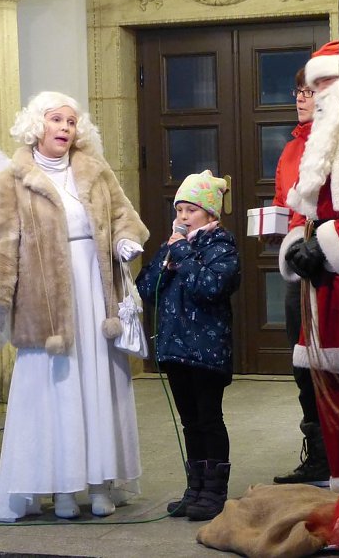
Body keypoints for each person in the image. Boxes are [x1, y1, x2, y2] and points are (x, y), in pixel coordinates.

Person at [0, 91, 150, 522]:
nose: (65, 129)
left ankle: (98, 484)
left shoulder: (94, 169)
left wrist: (127, 239)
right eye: (57, 120)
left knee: (97, 384)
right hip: (45, 302)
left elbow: (122, 215)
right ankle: (60, 488)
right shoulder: (12, 178)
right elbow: (0, 241)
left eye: (71, 122)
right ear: (38, 125)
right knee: (56, 391)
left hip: (95, 291)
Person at [136, 170, 241, 521]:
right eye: (178, 210)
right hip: (175, 349)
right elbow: (146, 288)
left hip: (207, 351)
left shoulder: (221, 246)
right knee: (190, 422)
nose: (182, 217)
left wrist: (181, 252)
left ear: (210, 214)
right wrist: (166, 256)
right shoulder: (175, 248)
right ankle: (194, 488)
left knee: (209, 419)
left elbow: (209, 287)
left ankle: (214, 491)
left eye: (190, 210)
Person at [278, 40, 339, 493]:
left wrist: (326, 244)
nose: (315, 93)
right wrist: (297, 247)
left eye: (324, 83)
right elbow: (304, 206)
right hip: (317, 273)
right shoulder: (309, 145)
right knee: (321, 380)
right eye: (310, 85)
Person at [272, 68, 331, 486]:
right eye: (299, 91)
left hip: (332, 258)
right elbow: (282, 204)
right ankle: (317, 454)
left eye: (311, 91)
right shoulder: (291, 148)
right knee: (302, 363)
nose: (302, 98)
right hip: (298, 257)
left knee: (336, 360)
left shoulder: (336, 140)